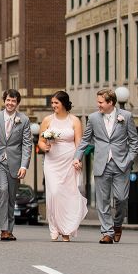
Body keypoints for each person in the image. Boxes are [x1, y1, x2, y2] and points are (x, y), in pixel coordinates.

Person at [73, 88, 138, 244]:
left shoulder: (126, 116)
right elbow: (85, 140)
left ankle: (117, 225)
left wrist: (129, 159)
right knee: (103, 200)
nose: (98, 105)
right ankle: (107, 232)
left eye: (101, 102)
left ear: (111, 102)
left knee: (122, 198)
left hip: (121, 164)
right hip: (101, 164)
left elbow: (134, 141)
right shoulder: (94, 118)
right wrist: (77, 157)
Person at [38, 91, 87, 242]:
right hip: (52, 161)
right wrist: (43, 147)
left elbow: (79, 143)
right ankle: (54, 227)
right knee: (54, 193)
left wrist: (78, 159)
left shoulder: (75, 121)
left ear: (64, 104)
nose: (53, 106)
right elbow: (40, 141)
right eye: (52, 103)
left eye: (56, 103)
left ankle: (66, 230)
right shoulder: (47, 120)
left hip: (68, 161)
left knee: (67, 195)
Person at [0, 89, 32, 241]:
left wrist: (24, 165)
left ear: (17, 103)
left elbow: (27, 144)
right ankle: (4, 229)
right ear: (4, 100)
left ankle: (9, 229)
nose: (10, 103)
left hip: (15, 163)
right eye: (8, 100)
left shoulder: (24, 120)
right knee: (3, 191)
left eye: (13, 101)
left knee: (11, 198)